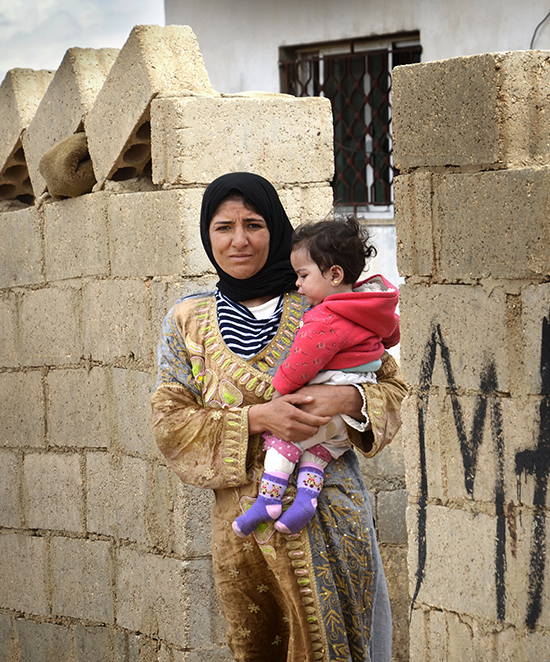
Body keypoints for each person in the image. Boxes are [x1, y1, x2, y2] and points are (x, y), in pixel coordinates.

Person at [151, 172, 407, 662]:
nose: (239, 240)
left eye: (254, 224)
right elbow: (169, 421)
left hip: (330, 520)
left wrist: (348, 401)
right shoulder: (187, 320)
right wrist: (256, 419)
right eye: (224, 227)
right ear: (208, 235)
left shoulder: (321, 298)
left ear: (277, 232)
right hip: (242, 541)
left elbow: (392, 386)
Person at [232, 217, 400, 538]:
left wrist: (279, 391)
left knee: (285, 439)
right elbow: (391, 337)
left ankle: (268, 499)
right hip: (346, 421)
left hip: (320, 405)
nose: (298, 284)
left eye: (303, 275)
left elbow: (300, 364)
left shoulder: (324, 317)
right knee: (318, 451)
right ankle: (306, 499)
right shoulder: (370, 305)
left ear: (334, 275)